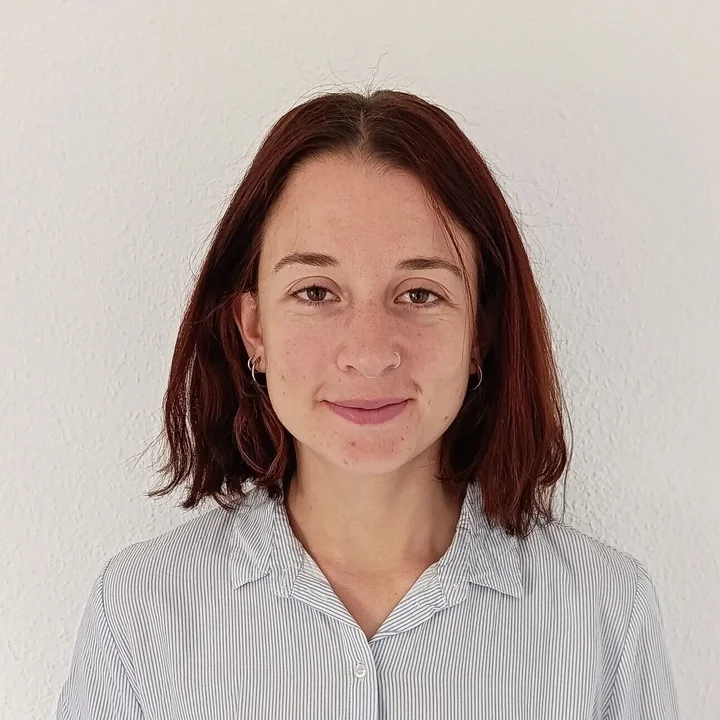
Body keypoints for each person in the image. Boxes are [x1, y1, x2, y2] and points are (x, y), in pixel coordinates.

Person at [56, 89, 679, 719]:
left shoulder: (607, 612)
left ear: (480, 334)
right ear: (255, 330)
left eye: (419, 294)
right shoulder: (142, 610)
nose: (369, 352)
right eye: (316, 292)